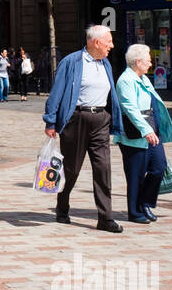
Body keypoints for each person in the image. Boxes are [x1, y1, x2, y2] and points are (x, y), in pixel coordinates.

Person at [43, 24, 125, 232]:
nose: (112, 46)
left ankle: (105, 218)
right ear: (96, 42)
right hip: (77, 119)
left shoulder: (105, 63)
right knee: (71, 169)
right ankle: (62, 205)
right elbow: (57, 91)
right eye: (109, 41)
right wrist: (50, 121)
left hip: (101, 119)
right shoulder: (71, 62)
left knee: (103, 168)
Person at [113, 44, 172, 223]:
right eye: (148, 59)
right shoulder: (126, 80)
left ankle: (145, 202)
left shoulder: (143, 78)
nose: (151, 62)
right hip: (135, 134)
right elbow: (130, 108)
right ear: (138, 61)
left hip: (151, 131)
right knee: (136, 174)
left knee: (159, 167)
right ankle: (135, 212)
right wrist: (146, 129)